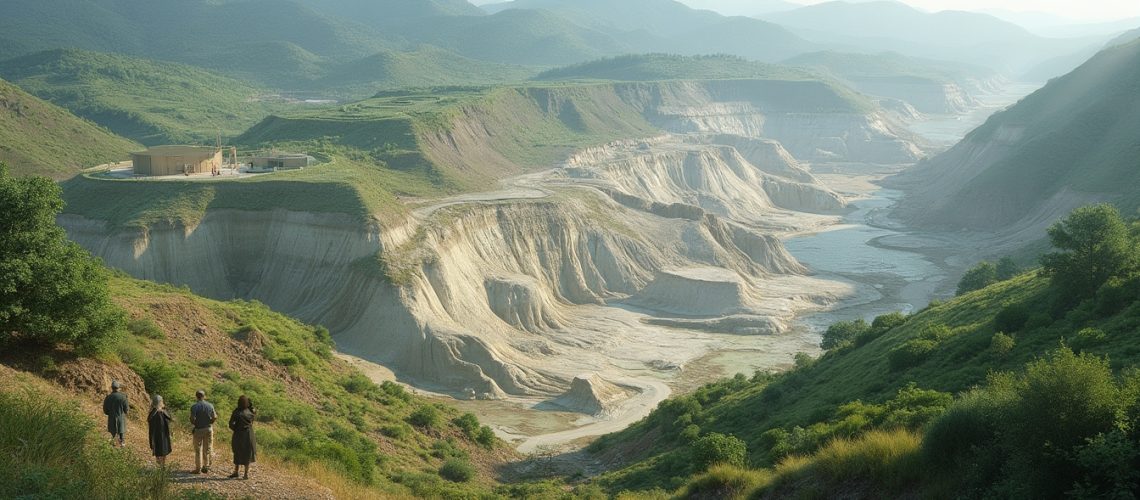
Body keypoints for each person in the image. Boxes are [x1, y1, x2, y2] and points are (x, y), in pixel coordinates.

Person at [228, 395, 257, 479]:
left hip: (238, 433)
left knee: (237, 451)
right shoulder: (251, 411)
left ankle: (236, 471)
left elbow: (231, 424)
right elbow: (253, 409)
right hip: (249, 434)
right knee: (247, 453)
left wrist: (235, 429)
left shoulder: (237, 412)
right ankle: (246, 474)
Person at [189, 389, 217, 474]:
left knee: (198, 449)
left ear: (196, 396)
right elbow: (215, 416)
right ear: (204, 396)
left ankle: (198, 468)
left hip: (198, 429)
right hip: (208, 428)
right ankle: (206, 466)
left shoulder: (194, 406)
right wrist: (210, 422)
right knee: (207, 448)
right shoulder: (210, 405)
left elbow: (192, 419)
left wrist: (195, 423)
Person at [147, 394, 174, 467]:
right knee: (160, 451)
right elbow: (150, 420)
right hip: (158, 435)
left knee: (162, 451)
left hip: (162, 435)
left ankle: (162, 466)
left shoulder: (160, 412)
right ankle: (160, 466)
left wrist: (162, 410)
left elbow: (170, 419)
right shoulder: (154, 412)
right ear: (160, 402)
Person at [102, 380, 129, 448]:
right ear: (119, 387)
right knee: (121, 434)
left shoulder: (108, 397)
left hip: (111, 418)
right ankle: (122, 444)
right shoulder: (123, 397)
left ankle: (113, 448)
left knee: (112, 435)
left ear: (112, 388)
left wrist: (110, 413)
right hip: (121, 418)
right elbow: (126, 410)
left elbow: (105, 410)